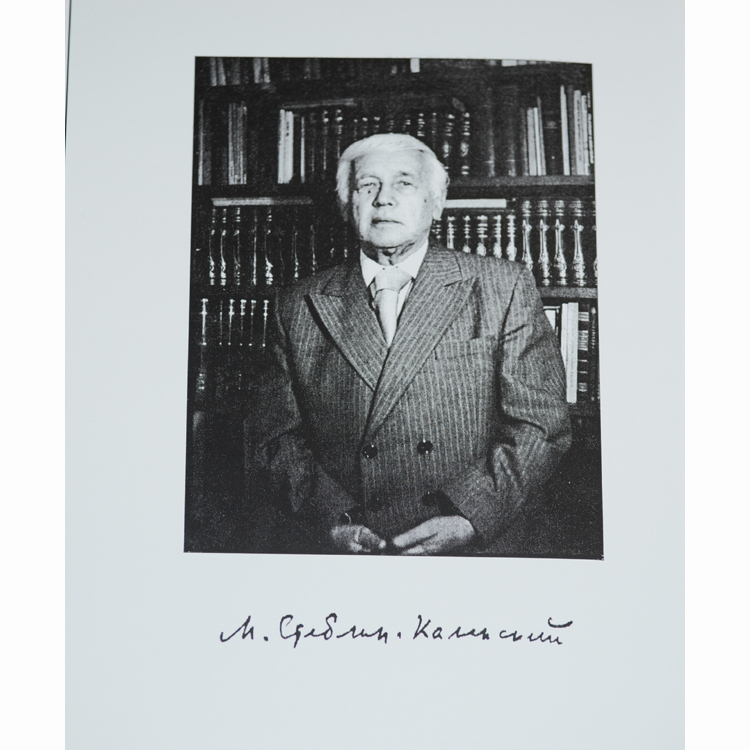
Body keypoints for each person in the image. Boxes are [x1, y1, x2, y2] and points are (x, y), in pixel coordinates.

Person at [246, 133, 571, 556]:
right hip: (349, 546)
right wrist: (330, 519)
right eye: (367, 186)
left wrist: (471, 516)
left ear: (436, 203)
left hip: (472, 546)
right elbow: (275, 437)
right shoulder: (298, 303)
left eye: (404, 183)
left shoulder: (502, 286)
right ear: (346, 206)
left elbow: (541, 425)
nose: (384, 199)